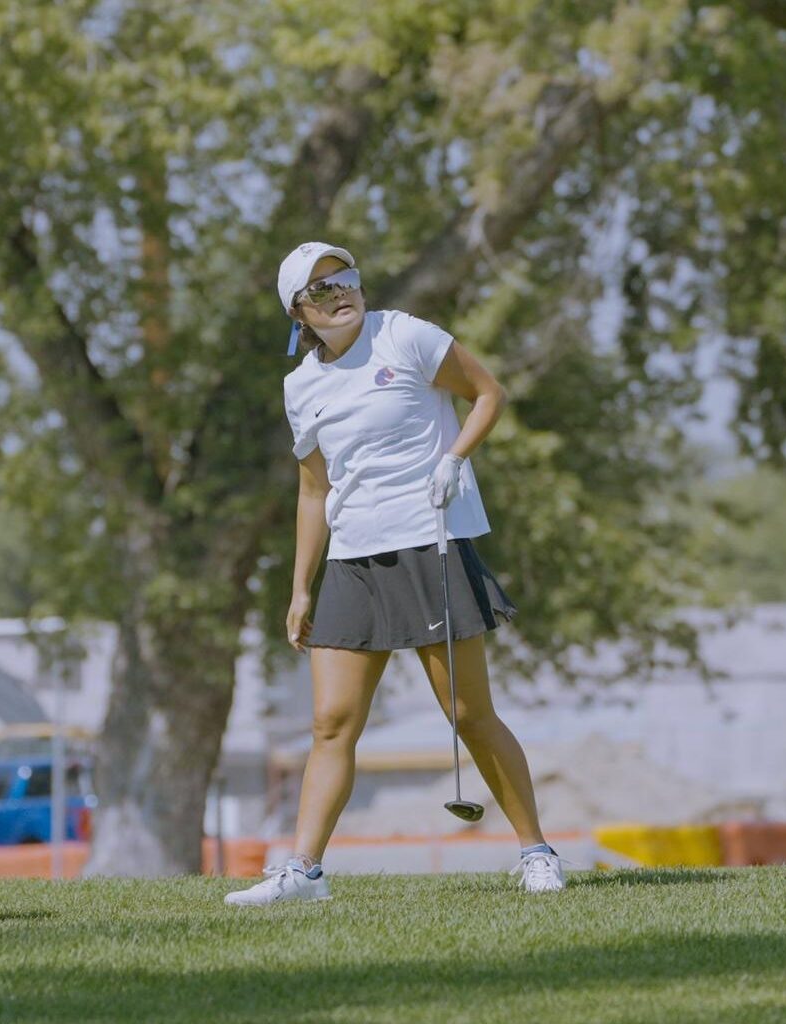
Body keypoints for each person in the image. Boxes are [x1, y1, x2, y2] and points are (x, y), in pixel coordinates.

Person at [225, 242, 563, 906]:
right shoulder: (301, 386)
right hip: (353, 560)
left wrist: (456, 457)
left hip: (430, 543)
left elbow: (487, 393)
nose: (339, 294)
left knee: (468, 713)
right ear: (298, 311)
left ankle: (537, 853)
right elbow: (314, 492)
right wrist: (300, 587)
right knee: (331, 722)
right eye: (320, 291)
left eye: (344, 280)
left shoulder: (403, 336)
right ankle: (303, 874)